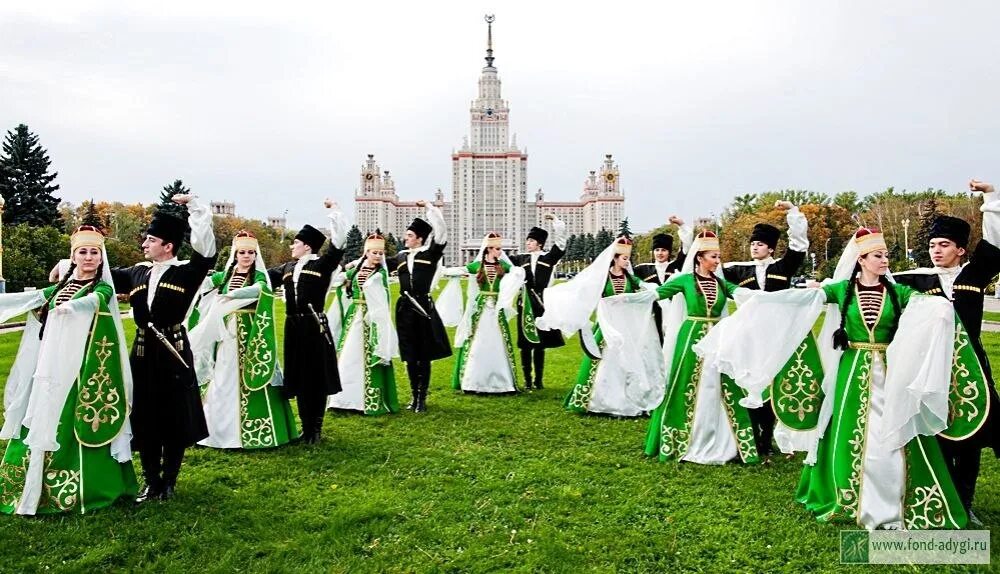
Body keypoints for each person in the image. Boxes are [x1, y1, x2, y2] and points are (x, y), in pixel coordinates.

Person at [698, 228, 969, 529]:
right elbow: (801, 300)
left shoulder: (898, 292)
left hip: (889, 371)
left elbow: (925, 304)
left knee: (893, 431)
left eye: (886, 256)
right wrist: (762, 301)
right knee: (849, 429)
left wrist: (942, 306)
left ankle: (897, 497)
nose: (885, 261)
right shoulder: (842, 290)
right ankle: (848, 494)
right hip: (852, 371)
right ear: (862, 259)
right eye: (878, 256)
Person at [0, 226, 137, 514]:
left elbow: (96, 301)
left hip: (81, 368)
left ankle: (88, 488)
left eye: (94, 252)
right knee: (40, 414)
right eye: (83, 252)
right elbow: (34, 299)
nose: (89, 257)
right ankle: (31, 485)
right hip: (50, 366)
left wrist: (72, 309)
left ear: (101, 258)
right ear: (74, 256)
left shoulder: (101, 287)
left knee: (72, 417)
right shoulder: (62, 286)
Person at [893, 179, 1000, 524]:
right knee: (935, 434)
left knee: (970, 437)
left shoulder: (975, 274)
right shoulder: (916, 279)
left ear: (961, 250)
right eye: (933, 245)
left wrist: (991, 198)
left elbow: (996, 241)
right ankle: (942, 498)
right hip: (929, 370)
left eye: (944, 245)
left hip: (970, 370)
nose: (936, 251)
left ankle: (965, 502)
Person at [111, 195, 215, 503]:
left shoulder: (187, 273)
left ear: (168, 245)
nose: (144, 244)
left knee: (173, 418)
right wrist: (70, 261)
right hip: (142, 356)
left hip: (174, 353)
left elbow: (206, 250)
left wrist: (196, 207)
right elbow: (101, 271)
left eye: (151, 240)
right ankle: (151, 482)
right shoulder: (137, 272)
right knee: (144, 418)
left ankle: (169, 481)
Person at [642, 230, 759, 464]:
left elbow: (745, 295)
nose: (718, 261)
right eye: (713, 256)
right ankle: (685, 438)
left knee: (720, 386)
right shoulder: (684, 281)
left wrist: (776, 300)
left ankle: (722, 439)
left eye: (718, 257)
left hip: (718, 338)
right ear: (699, 258)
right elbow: (656, 294)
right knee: (686, 384)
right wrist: (623, 300)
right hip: (691, 339)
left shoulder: (721, 284)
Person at [189, 231, 299, 449]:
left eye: (250, 252)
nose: (246, 256)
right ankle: (215, 431)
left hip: (250, 333)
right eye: (242, 252)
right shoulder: (226, 275)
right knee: (222, 376)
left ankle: (256, 430)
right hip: (226, 335)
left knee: (250, 373)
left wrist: (233, 296)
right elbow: (204, 283)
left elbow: (261, 290)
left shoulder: (257, 275)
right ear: (235, 254)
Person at [721, 201, 814, 458]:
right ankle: (752, 435)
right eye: (752, 244)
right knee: (751, 381)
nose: (754, 247)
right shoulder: (739, 270)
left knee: (773, 384)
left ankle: (767, 434)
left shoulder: (782, 268)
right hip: (750, 336)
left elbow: (799, 246)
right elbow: (711, 270)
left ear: (770, 248)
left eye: (759, 244)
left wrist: (793, 213)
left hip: (777, 336)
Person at [536, 236, 665, 417]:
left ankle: (628, 401)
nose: (627, 262)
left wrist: (649, 287)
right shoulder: (604, 278)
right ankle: (602, 401)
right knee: (606, 360)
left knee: (628, 359)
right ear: (615, 258)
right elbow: (588, 293)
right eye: (625, 258)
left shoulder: (630, 277)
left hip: (626, 326)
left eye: (628, 259)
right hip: (607, 323)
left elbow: (642, 286)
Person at [266, 201, 348, 443]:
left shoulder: (322, 264)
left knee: (316, 377)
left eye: (296, 243)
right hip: (293, 327)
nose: (292, 246)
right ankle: (305, 427)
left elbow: (339, 242)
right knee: (299, 375)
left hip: (314, 325)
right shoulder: (287, 267)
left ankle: (316, 429)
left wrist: (334, 212)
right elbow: (262, 277)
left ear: (307, 246)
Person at [327, 232, 399, 415]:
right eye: (374, 253)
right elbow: (336, 281)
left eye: (380, 253)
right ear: (366, 252)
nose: (378, 256)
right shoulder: (356, 271)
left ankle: (363, 401)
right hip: (354, 316)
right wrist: (345, 272)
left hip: (370, 319)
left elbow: (376, 290)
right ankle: (341, 399)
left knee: (364, 357)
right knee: (346, 356)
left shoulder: (380, 274)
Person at [444, 232, 525, 394]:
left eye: (500, 248)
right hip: (481, 308)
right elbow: (461, 270)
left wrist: (518, 273)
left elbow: (517, 272)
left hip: (496, 308)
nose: (500, 252)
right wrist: (440, 270)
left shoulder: (503, 265)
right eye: (497, 248)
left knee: (497, 342)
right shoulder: (477, 266)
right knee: (479, 341)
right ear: (488, 249)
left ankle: (502, 383)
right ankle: (474, 382)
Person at [394, 200, 452, 413]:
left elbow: (441, 231)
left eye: (409, 236)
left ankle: (422, 398)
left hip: (423, 308)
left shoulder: (431, 254)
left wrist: (430, 208)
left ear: (419, 238)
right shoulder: (400, 256)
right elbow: (378, 264)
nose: (405, 238)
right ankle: (413, 395)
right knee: (409, 354)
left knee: (423, 354)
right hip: (404, 309)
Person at [507, 215, 567, 390]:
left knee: (540, 343)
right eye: (527, 240)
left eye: (531, 241)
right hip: (525, 303)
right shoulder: (520, 259)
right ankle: (527, 380)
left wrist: (556, 222)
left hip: (542, 303)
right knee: (525, 343)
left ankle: (538, 380)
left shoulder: (548, 258)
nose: (528, 243)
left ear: (539, 243)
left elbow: (561, 244)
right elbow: (503, 262)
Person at [631, 216, 692, 342]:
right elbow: (628, 276)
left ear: (669, 252)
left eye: (663, 250)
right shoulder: (644, 269)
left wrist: (681, 225)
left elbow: (687, 247)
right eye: (657, 250)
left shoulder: (677, 266)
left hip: (674, 315)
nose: (660, 253)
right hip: (652, 316)